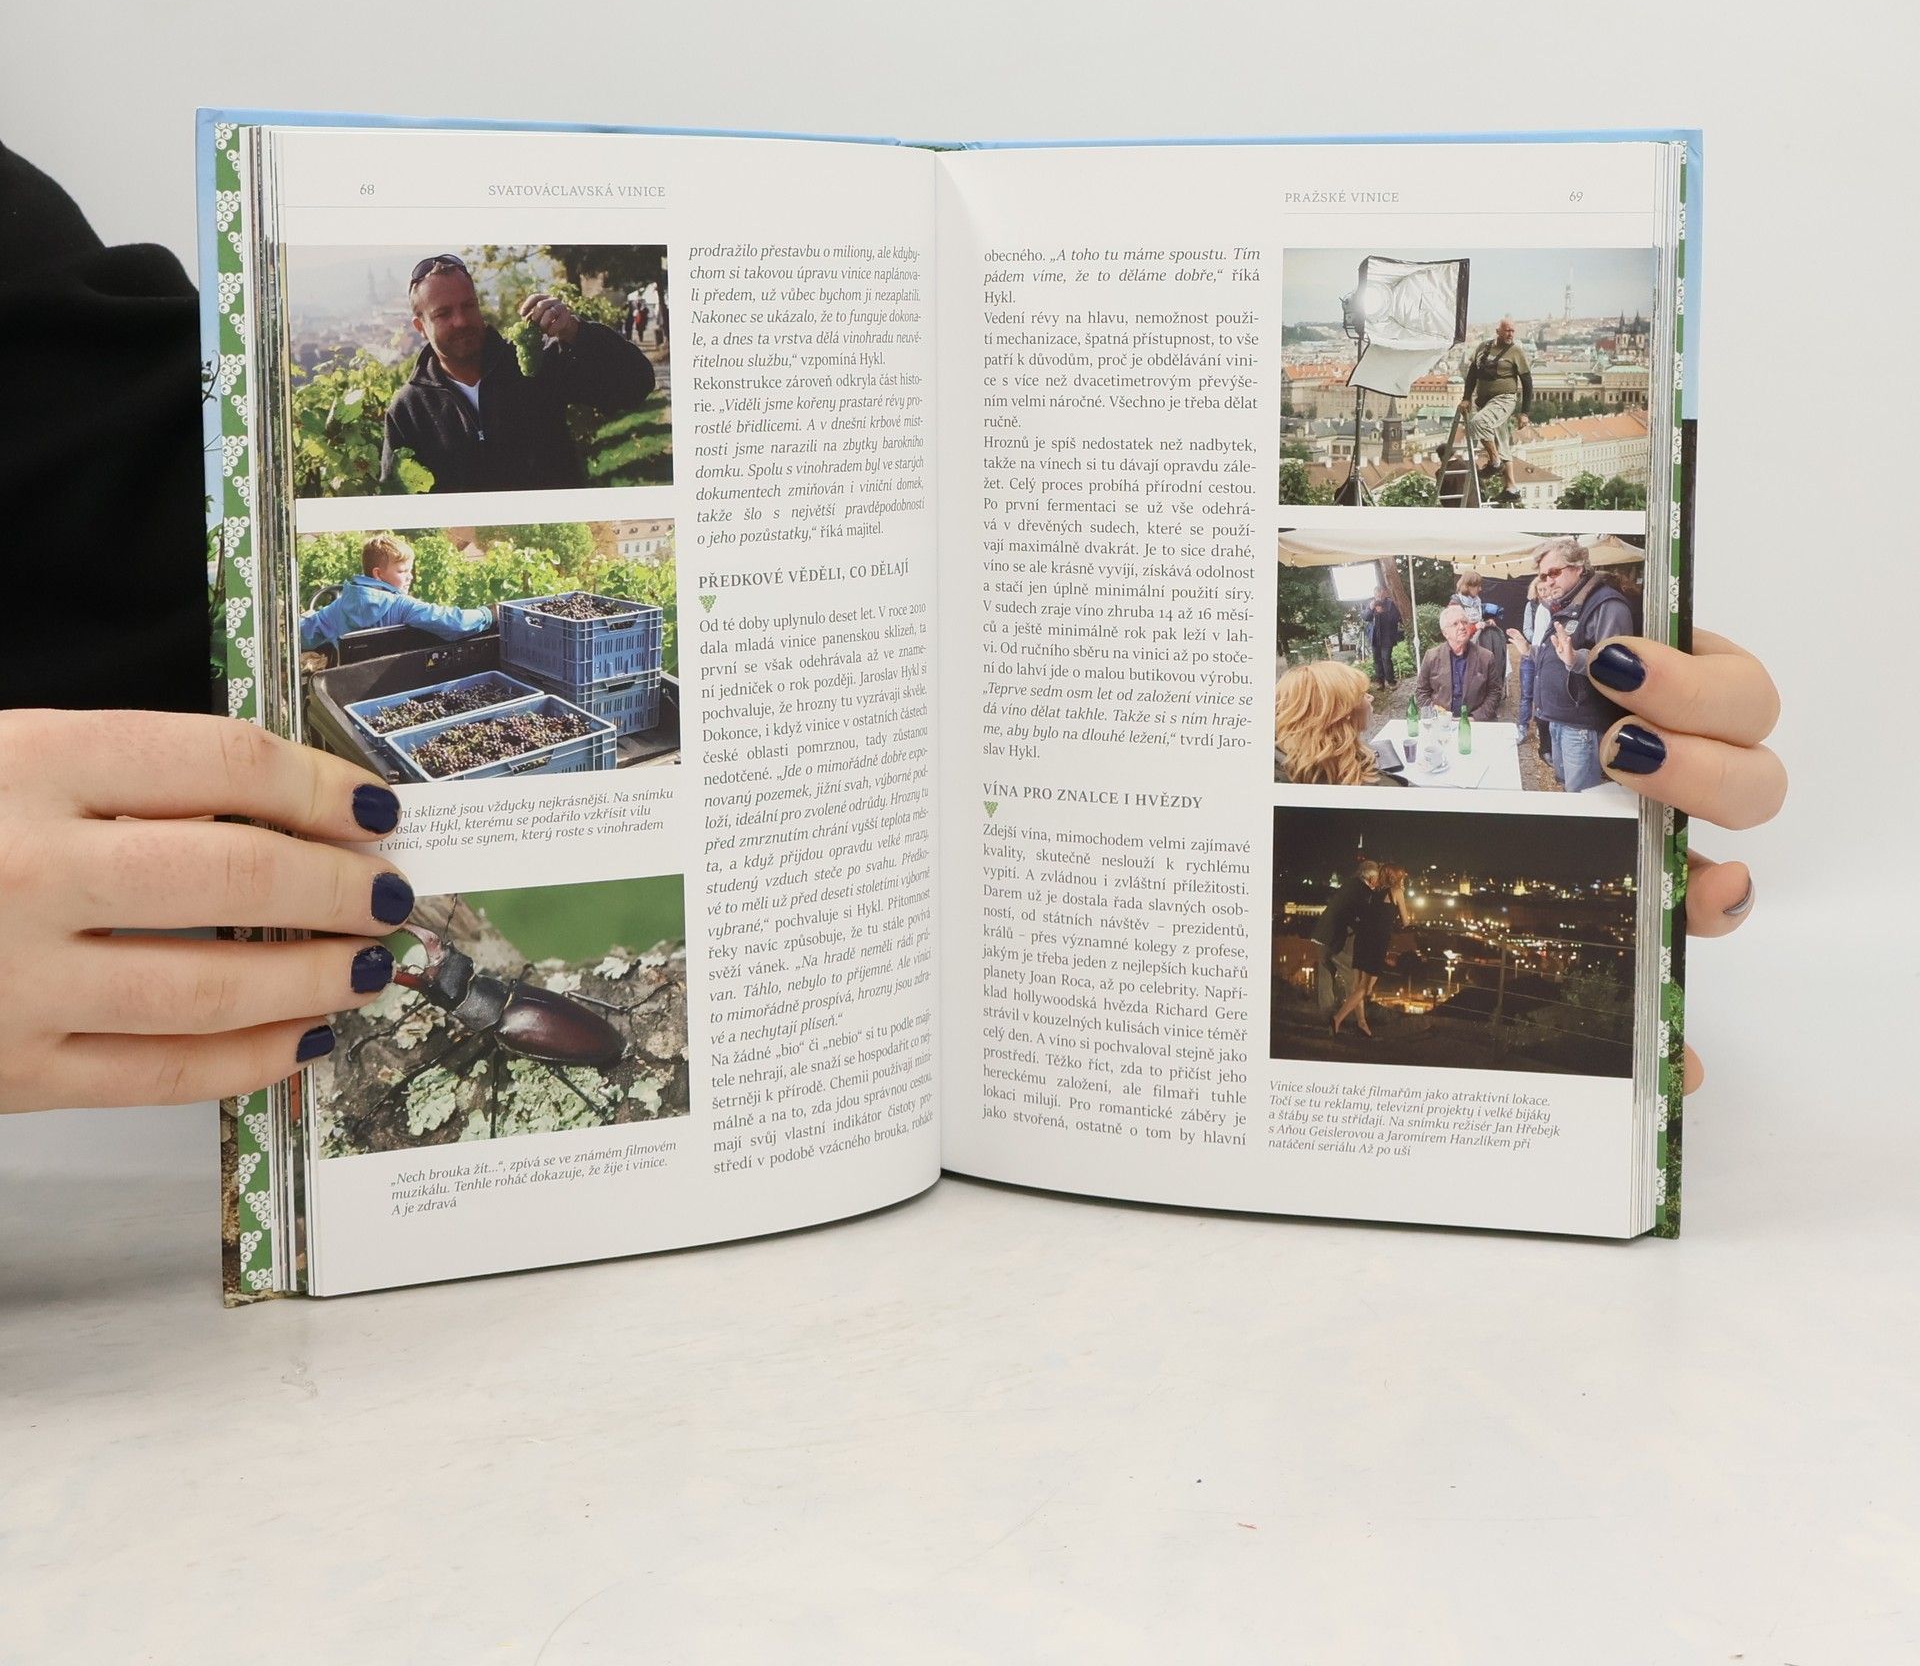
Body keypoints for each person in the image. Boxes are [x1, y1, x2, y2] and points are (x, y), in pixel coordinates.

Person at [0, 142, 1783, 1109]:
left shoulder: (484, 379)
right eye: (438, 311)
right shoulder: (407, 409)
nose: (457, 325)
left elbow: (136, 497)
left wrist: (1614, 640)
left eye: (471, 304)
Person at [380, 255, 655, 494]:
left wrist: (575, 331)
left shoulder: (536, 363)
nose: (461, 320)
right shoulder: (408, 410)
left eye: (468, 306)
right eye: (443, 314)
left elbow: (636, 384)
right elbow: (401, 502)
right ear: (420, 326)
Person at [1529, 537, 1636, 793]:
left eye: (1554, 572)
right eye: (1543, 576)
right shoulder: (1568, 602)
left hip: (1581, 727)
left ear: (1578, 567)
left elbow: (1618, 669)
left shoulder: (1607, 604)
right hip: (1560, 720)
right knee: (1567, 790)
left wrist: (1576, 659)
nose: (1548, 581)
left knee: (1582, 798)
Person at [298, 535, 494, 655]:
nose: (410, 577)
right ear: (378, 574)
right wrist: (488, 614)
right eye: (402, 571)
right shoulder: (402, 605)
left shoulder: (340, 606)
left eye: (410, 570)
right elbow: (454, 622)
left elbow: (303, 634)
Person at [1274, 662, 1407, 787]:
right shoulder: (1373, 788)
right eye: (1362, 695)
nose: (1370, 698)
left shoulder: (1281, 763)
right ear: (1343, 712)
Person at [1331, 865, 1412, 1038]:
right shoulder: (1396, 891)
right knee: (1365, 988)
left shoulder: (1373, 892)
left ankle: (1362, 1024)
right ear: (1397, 877)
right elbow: (1406, 921)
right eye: (1402, 877)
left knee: (1357, 986)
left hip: (1362, 938)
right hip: (1377, 942)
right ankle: (1337, 1018)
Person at [1459, 315, 1534, 477]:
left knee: (1479, 423)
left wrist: (1525, 413)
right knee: (1501, 440)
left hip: (1503, 400)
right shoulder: (1483, 347)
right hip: (1484, 402)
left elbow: (1527, 382)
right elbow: (1472, 374)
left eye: (1513, 331)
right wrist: (1466, 398)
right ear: (1498, 331)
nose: (1510, 334)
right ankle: (1510, 486)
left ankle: (1495, 463)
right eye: (1507, 331)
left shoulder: (1516, 351)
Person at [1312, 858, 1381, 1024]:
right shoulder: (1364, 892)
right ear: (1372, 878)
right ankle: (1355, 1017)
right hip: (1334, 940)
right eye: (1377, 879)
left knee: (1326, 976)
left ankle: (1326, 1014)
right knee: (1353, 979)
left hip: (1319, 936)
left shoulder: (1348, 885)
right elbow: (1359, 917)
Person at [1413, 605, 1505, 721]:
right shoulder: (1432, 657)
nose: (1462, 627)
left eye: (1465, 622)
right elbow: (1421, 692)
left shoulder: (1486, 657)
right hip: (1441, 721)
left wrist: (1475, 718)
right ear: (1445, 633)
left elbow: (1495, 692)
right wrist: (1438, 715)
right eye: (1455, 624)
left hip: (1475, 722)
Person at [1509, 576, 1556, 751]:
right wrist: (1535, 642)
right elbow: (1527, 629)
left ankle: (1541, 726)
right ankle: (1522, 726)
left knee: (1543, 693)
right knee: (1527, 694)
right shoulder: (1532, 606)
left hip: (1547, 655)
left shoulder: (1557, 606)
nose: (1543, 593)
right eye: (1540, 590)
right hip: (1531, 653)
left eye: (1545, 589)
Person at [1360, 585, 1402, 689]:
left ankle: (1391, 682)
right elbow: (1365, 617)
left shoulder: (1390, 603)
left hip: (1387, 636)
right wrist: (1370, 608)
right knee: (1376, 660)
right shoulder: (1371, 603)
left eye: (1381, 595)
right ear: (1374, 594)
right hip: (1375, 636)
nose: (1379, 597)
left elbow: (1396, 618)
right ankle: (1380, 682)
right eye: (1377, 595)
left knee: (1386, 659)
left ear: (1384, 594)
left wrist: (1383, 613)